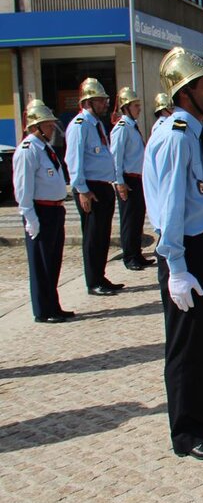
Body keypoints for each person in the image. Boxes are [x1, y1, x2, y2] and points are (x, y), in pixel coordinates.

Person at [143, 46, 203, 461]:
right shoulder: (174, 137)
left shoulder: (194, 130)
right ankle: (186, 433)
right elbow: (168, 208)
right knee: (186, 347)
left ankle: (201, 421)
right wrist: (176, 267)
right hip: (185, 252)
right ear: (185, 92)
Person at [14, 100, 73, 323]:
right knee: (41, 264)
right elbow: (23, 188)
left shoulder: (44, 148)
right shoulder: (27, 151)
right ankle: (43, 310)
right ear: (35, 126)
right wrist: (30, 217)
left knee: (53, 261)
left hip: (55, 211)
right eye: (47, 125)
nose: (51, 129)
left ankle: (53, 305)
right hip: (41, 211)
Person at [64, 77, 123, 296]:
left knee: (102, 235)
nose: (105, 104)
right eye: (100, 101)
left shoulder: (96, 124)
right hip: (91, 188)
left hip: (103, 186)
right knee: (93, 236)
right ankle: (93, 281)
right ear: (88, 101)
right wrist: (82, 190)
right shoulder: (80, 126)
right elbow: (74, 160)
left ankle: (100, 275)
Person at [110, 86, 153, 271]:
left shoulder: (132, 126)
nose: (139, 109)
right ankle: (129, 256)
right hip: (128, 179)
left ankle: (137, 253)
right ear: (126, 107)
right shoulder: (121, 128)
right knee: (129, 219)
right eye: (135, 105)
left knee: (137, 218)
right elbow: (116, 157)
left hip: (137, 178)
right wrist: (119, 181)